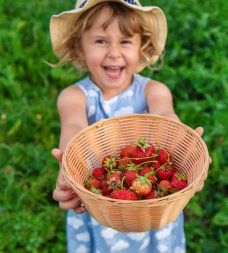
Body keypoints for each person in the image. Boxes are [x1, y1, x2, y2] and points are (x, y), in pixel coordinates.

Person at [49, 0, 206, 252]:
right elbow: (73, 127)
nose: (113, 52)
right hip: (99, 206)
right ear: (79, 48)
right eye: (101, 41)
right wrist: (69, 166)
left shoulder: (154, 91)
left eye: (125, 41)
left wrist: (185, 145)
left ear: (141, 47)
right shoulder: (74, 97)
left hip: (156, 206)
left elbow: (166, 118)